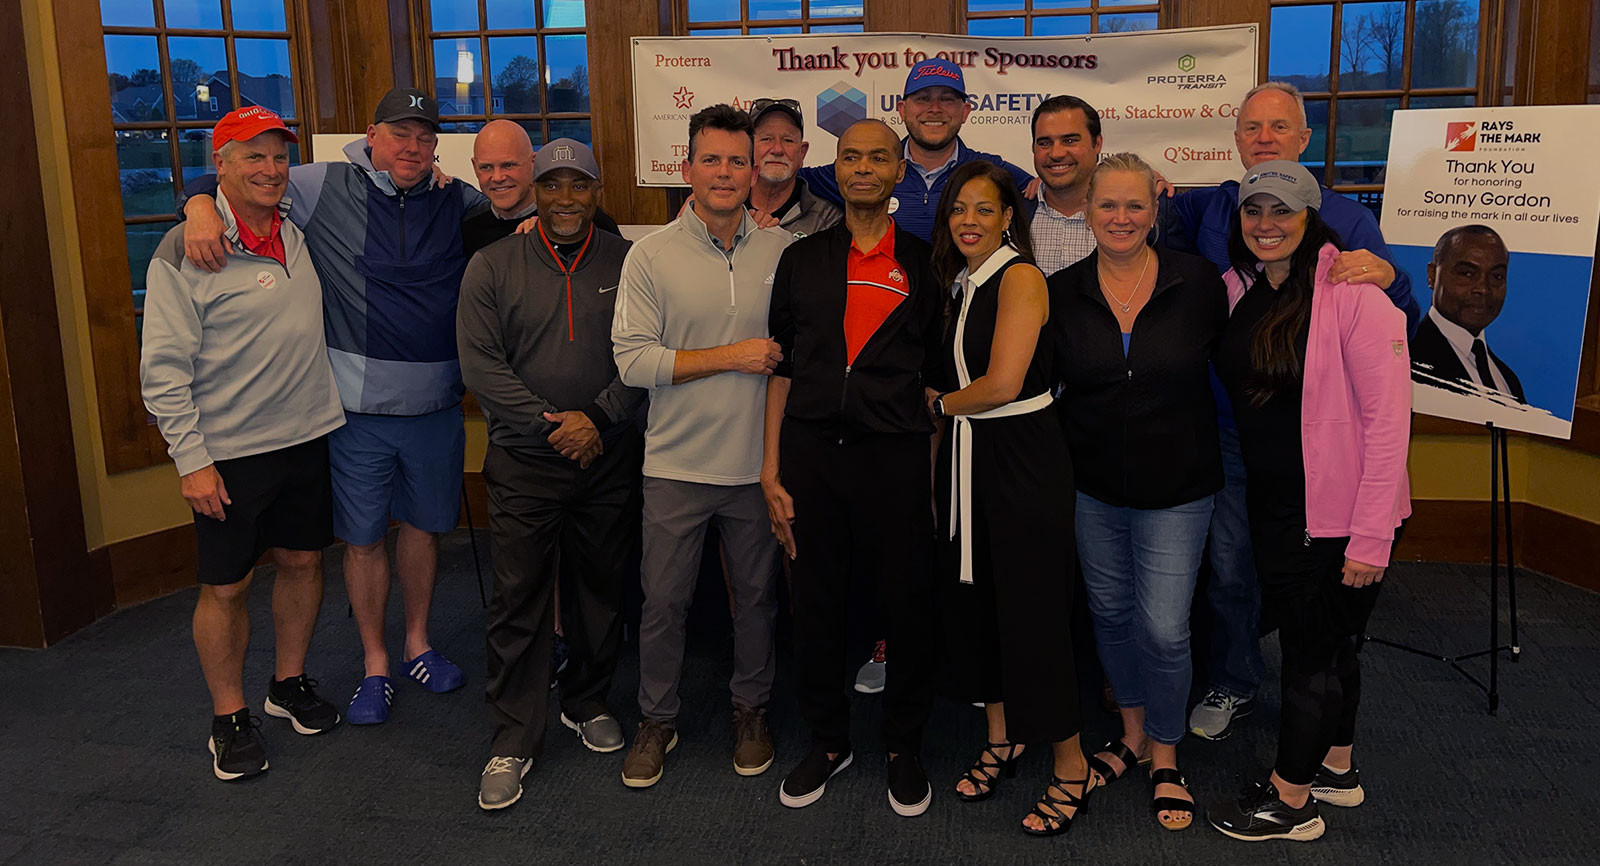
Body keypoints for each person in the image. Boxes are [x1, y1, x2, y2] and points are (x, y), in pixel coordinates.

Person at [181, 88, 490, 725]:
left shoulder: (456, 198)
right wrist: (197, 209)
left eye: (424, 138)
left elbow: (525, 212)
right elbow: (234, 176)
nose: (411, 148)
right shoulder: (320, 186)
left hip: (437, 407)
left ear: (437, 147)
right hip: (353, 414)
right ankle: (376, 663)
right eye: (399, 135)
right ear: (370, 135)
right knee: (363, 540)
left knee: (426, 533)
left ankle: (417, 645)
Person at [1164, 81, 1417, 742]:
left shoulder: (1349, 225)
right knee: (1231, 573)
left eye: (1280, 127)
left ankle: (1321, 722)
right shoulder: (1212, 211)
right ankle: (1240, 680)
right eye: (1253, 128)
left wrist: (1393, 280)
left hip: (1315, 457)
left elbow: (1394, 333)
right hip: (1229, 438)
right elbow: (1140, 216)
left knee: (1315, 597)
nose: (1265, 138)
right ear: (1236, 139)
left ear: (1306, 141)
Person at [1208, 161, 1411, 842]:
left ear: (1311, 216)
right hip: (1277, 501)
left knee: (1309, 655)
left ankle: (1289, 803)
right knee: (1336, 646)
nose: (1266, 224)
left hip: (1332, 516)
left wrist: (1370, 538)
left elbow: (1389, 424)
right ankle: (1337, 769)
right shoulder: (1246, 288)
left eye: (1282, 211)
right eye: (1253, 211)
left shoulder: (1354, 294)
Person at [140, 107, 346, 781]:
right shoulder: (186, 249)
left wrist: (200, 195)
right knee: (226, 588)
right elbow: (162, 372)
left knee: (303, 564)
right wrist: (190, 461)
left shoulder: (296, 228)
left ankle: (287, 684)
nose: (270, 171)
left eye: (279, 158)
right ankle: (228, 718)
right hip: (227, 453)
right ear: (220, 163)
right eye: (251, 157)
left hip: (307, 436)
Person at [457, 139, 646, 810]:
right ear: (534, 189)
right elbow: (481, 366)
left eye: (580, 185)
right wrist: (552, 424)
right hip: (524, 463)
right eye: (553, 184)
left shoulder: (631, 262)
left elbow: (646, 355)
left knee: (601, 589)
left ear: (598, 191)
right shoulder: (492, 264)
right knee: (519, 599)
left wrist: (597, 419)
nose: (566, 198)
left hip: (608, 456)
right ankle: (513, 736)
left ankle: (588, 700)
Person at [763, 119, 942, 818]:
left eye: (877, 157)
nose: (862, 167)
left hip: (894, 458)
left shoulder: (928, 265)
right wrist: (770, 470)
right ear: (833, 169)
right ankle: (828, 741)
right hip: (810, 459)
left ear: (899, 171)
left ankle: (904, 745)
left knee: (907, 607)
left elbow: (933, 385)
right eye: (850, 156)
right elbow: (780, 370)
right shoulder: (802, 260)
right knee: (815, 607)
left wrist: (928, 484)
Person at [611, 104, 793, 788]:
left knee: (757, 600)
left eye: (737, 161)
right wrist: (731, 356)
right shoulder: (650, 256)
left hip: (756, 469)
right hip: (676, 467)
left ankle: (752, 710)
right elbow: (633, 364)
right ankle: (657, 720)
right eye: (711, 160)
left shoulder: (784, 251)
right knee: (663, 602)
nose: (724, 173)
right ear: (687, 169)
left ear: (756, 171)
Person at [1047, 153, 1227, 832]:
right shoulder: (1061, 292)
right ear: (1086, 212)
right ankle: (1129, 736)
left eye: (1134, 206)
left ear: (1156, 211)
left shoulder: (1201, 282)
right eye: (1107, 206)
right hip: (1091, 486)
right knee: (1112, 615)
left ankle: (1166, 753)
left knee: (1164, 627)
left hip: (1179, 489)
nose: (1120, 219)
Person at [930, 160, 1093, 836]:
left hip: (1021, 460)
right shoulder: (960, 284)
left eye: (983, 208)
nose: (969, 219)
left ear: (1007, 217)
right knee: (978, 606)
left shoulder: (1020, 278)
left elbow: (1000, 384)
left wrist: (937, 404)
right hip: (967, 461)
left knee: (1033, 615)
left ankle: (1071, 764)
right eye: (958, 208)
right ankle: (1001, 737)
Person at [799, 59, 1032, 246]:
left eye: (947, 99)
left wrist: (1047, 181)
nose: (934, 109)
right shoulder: (867, 169)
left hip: (963, 302)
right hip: (888, 299)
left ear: (965, 111)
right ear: (902, 109)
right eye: (922, 98)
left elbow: (1047, 193)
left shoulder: (989, 172)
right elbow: (789, 181)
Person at [464, 120, 622, 257]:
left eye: (508, 165)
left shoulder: (586, 220)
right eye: (486, 167)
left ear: (533, 161)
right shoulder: (468, 228)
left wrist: (549, 227)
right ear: (474, 167)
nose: (498, 177)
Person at [1410, 225, 1524, 402]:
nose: (1483, 289)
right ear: (1432, 275)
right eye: (1467, 273)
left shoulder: (1508, 380)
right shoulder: (1407, 359)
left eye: (1497, 276)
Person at [1026, 95, 1102, 276]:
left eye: (1069, 141)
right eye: (1045, 143)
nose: (1056, 153)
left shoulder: (1132, 214)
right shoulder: (1012, 212)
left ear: (1097, 143)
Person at [747, 98, 842, 238]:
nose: (777, 149)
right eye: (766, 139)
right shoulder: (724, 208)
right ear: (747, 148)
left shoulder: (827, 219)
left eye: (788, 140)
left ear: (802, 152)